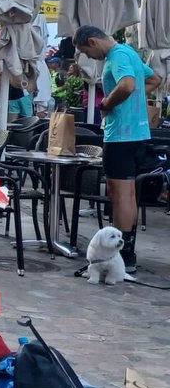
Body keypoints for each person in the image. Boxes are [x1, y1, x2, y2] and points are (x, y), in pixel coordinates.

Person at [74, 25, 162, 272]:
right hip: (137, 133)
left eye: (86, 51)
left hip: (122, 135)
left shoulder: (118, 56)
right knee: (128, 194)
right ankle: (126, 252)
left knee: (120, 194)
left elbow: (127, 85)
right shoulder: (129, 52)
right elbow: (155, 78)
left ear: (93, 41)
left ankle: (123, 256)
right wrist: (132, 101)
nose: (89, 57)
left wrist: (107, 103)